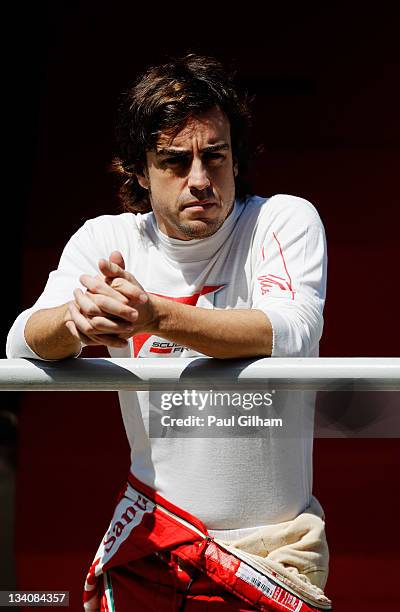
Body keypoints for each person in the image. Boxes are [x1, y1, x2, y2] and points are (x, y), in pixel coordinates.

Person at [7, 54, 329, 611]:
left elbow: (291, 330)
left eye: (216, 157)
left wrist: (155, 316)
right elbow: (19, 346)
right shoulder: (107, 237)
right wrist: (74, 322)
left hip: (275, 556)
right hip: (151, 549)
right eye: (175, 162)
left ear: (237, 156)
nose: (200, 180)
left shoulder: (281, 219)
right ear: (138, 170)